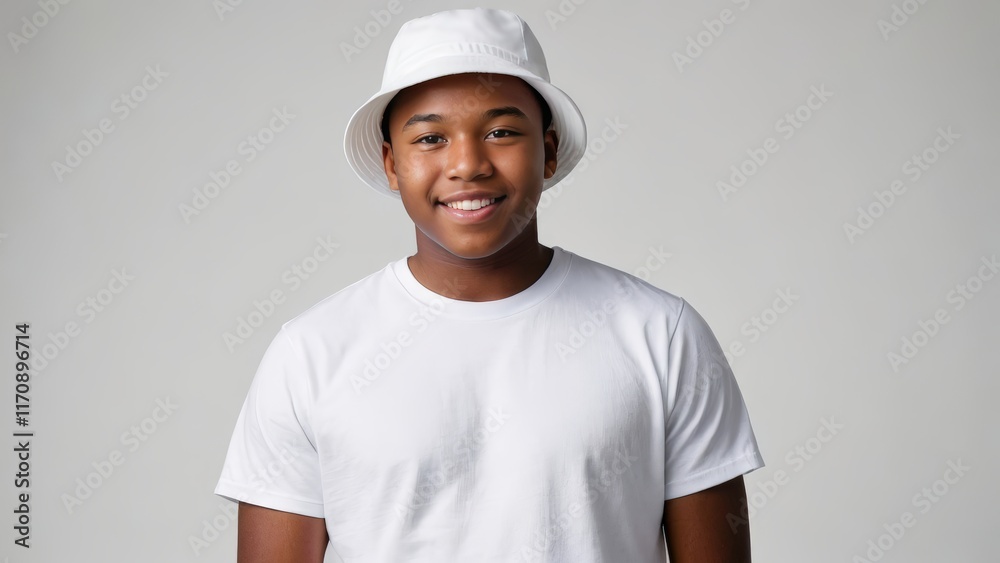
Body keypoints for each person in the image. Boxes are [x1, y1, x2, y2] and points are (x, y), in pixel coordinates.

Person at [215, 8, 764, 562]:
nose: (468, 164)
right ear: (391, 164)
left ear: (548, 151)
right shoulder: (310, 352)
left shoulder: (661, 335)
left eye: (501, 132)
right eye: (430, 138)